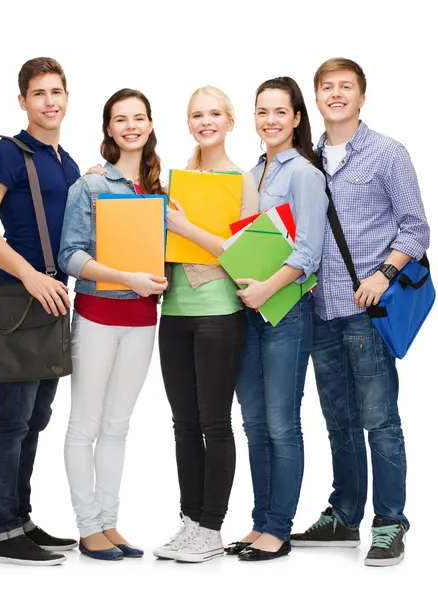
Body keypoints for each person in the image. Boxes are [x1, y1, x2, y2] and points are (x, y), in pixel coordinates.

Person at [289, 58, 430, 567]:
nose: (336, 94)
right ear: (317, 97)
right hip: (318, 310)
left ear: (362, 96)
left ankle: (390, 523)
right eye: (327, 87)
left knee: (380, 420)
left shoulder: (387, 154)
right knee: (338, 420)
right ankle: (344, 516)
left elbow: (416, 229)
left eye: (345, 86)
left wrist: (382, 275)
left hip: (365, 310)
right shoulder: (306, 158)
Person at [0, 57, 80, 566]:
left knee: (35, 418)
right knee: (10, 419)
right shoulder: (4, 154)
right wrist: (31, 275)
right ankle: (1, 532)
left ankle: (22, 519)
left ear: (67, 98)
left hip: (54, 304)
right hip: (17, 299)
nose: (49, 101)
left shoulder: (68, 162)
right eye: (39, 93)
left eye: (56, 92)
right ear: (22, 101)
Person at [58, 88, 168, 561]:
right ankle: (87, 527)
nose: (130, 126)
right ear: (108, 128)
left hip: (143, 320)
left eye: (138, 117)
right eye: (120, 119)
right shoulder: (90, 186)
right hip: (98, 315)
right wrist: (124, 277)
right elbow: (70, 255)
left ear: (149, 124)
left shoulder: (162, 191)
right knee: (86, 423)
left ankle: (109, 521)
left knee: (118, 425)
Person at [150, 86, 258, 563]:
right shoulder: (176, 180)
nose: (206, 121)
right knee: (183, 423)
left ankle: (212, 528)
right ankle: (190, 521)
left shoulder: (243, 181)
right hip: (172, 311)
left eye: (215, 113)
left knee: (215, 422)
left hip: (218, 312)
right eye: (197, 114)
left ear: (230, 121)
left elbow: (245, 255)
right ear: (189, 122)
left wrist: (187, 228)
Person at [226, 77, 328, 562]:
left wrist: (267, 288)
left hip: (286, 310)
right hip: (248, 311)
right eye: (262, 111)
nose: (269, 120)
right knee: (253, 422)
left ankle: (279, 529)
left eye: (279, 112)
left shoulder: (304, 173)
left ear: (296, 119)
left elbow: (309, 249)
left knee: (282, 423)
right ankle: (260, 521)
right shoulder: (253, 172)